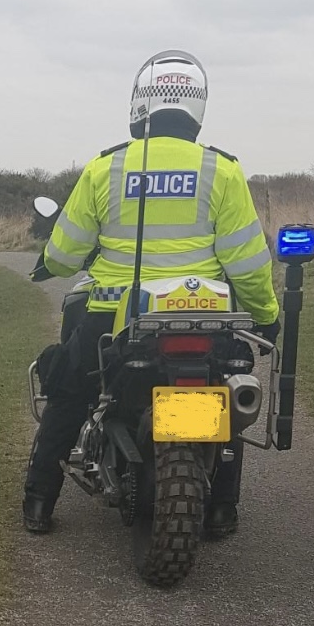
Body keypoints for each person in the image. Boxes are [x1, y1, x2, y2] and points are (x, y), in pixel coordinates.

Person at [23, 50, 280, 536]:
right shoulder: (220, 170)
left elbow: (63, 253)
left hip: (114, 315)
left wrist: (54, 262)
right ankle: (222, 509)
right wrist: (265, 315)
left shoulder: (107, 168)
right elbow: (247, 263)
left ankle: (38, 500)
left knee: (70, 391)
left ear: (140, 103)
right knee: (219, 392)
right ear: (197, 108)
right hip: (204, 315)